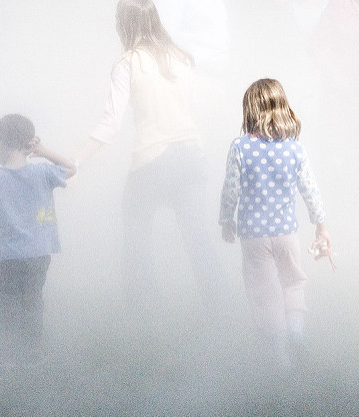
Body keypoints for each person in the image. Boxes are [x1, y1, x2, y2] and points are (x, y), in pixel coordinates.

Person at [73, 0, 223, 316]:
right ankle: (220, 310)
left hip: (152, 160)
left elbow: (110, 124)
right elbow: (193, 108)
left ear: (123, 24)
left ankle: (142, 314)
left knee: (136, 238)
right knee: (198, 239)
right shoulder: (181, 59)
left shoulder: (127, 64)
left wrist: (76, 162)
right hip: (190, 156)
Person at [218, 78, 332, 369]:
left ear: (250, 111)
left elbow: (231, 189)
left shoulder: (241, 147)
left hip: (254, 237)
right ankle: (296, 333)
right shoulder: (294, 149)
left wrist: (226, 220)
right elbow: (310, 190)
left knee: (265, 292)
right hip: (286, 233)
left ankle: (281, 355)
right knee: (293, 283)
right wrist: (321, 225)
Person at [0, 114, 76, 368]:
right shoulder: (43, 172)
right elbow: (71, 169)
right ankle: (33, 355)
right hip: (38, 254)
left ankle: (9, 356)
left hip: (5, 257)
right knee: (32, 302)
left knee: (4, 305)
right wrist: (44, 151)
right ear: (29, 143)